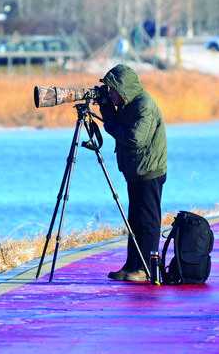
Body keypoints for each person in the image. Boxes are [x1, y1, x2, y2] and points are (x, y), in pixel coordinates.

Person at [97, 64, 167, 282]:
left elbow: (135, 139)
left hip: (149, 171)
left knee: (148, 221)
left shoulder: (144, 106)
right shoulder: (129, 103)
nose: (110, 93)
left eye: (112, 90)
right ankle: (131, 266)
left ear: (123, 89)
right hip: (136, 170)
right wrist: (106, 106)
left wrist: (109, 126)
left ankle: (144, 270)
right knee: (134, 221)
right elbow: (117, 123)